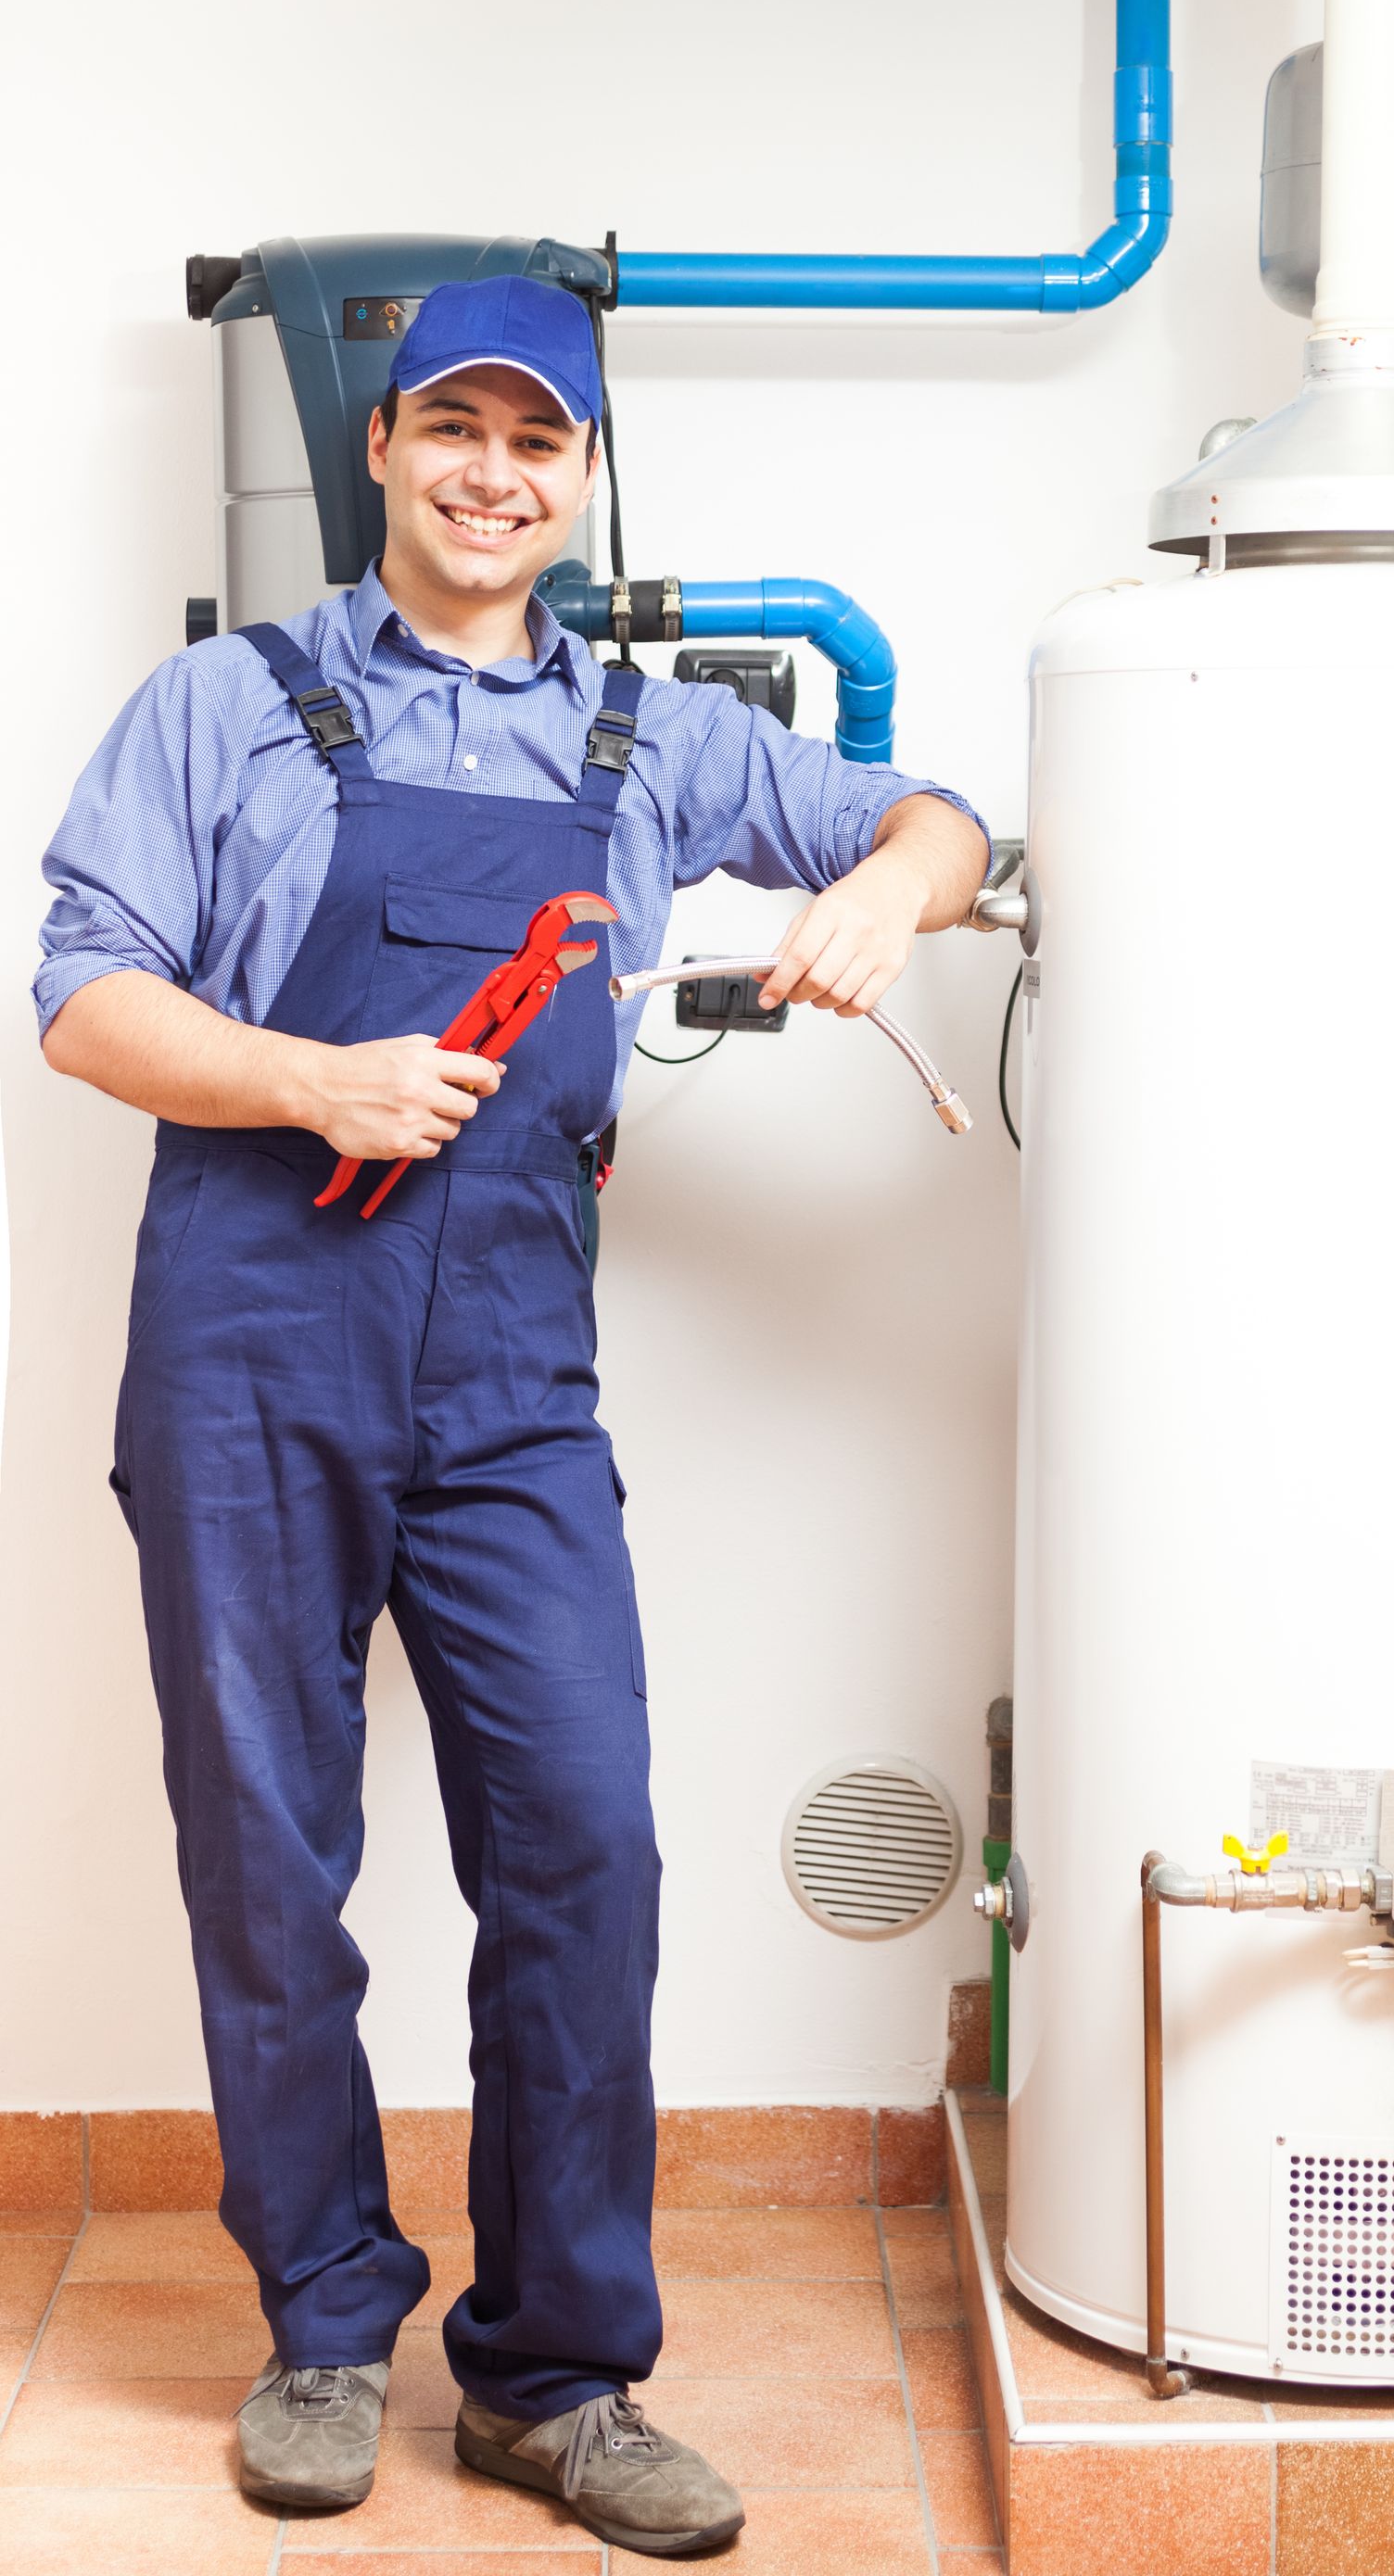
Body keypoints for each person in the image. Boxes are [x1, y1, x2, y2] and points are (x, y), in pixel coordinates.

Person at [35, 273, 990, 2553]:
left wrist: (884, 896)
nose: (490, 472)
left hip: (510, 1380)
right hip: (253, 1340)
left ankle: (556, 2379)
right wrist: (305, 1078)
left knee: (586, 1849)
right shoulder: (229, 703)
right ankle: (323, 2328)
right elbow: (83, 994)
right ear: (381, 449)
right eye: (451, 428)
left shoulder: (656, 742)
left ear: (580, 479)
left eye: (537, 441)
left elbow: (950, 816)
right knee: (271, 1857)